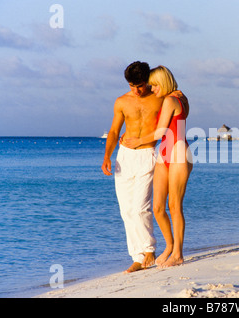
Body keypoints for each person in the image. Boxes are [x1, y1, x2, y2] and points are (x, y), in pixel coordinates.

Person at [121, 65, 192, 268]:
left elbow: (161, 131)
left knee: (175, 206)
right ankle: (169, 246)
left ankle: (178, 253)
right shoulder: (176, 97)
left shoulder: (171, 100)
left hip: (178, 153)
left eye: (153, 85)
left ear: (162, 83)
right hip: (164, 154)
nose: (151, 89)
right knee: (158, 207)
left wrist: (137, 142)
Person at [101, 61, 163, 273]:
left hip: (147, 154)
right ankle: (138, 256)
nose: (136, 91)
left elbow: (167, 125)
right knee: (126, 210)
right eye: (132, 86)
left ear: (148, 81)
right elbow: (113, 131)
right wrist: (107, 156)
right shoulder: (121, 102)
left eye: (140, 86)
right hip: (124, 157)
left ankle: (149, 249)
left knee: (140, 207)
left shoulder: (159, 98)